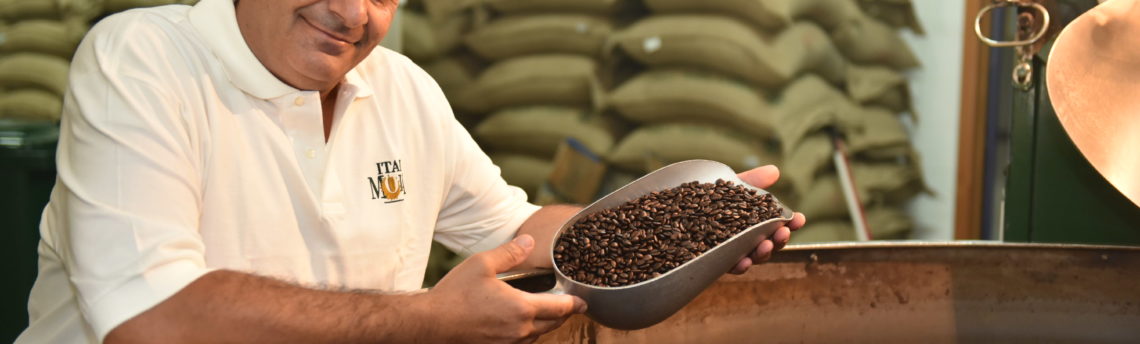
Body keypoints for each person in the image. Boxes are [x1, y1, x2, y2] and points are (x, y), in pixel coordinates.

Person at [16, 0, 807, 343]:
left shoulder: (401, 90)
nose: (354, 18)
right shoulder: (141, 60)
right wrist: (424, 324)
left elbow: (520, 235)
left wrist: (687, 231)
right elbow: (152, 319)